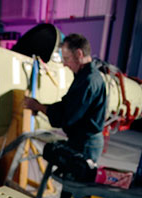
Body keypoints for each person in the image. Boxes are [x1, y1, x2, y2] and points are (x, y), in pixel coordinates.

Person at [24, 33, 107, 163]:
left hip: (85, 145)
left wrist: (38, 106)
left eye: (67, 59)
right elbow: (66, 104)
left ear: (79, 54)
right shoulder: (84, 76)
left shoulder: (88, 81)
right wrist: (41, 106)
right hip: (83, 141)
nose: (64, 64)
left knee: (73, 183)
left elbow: (67, 116)